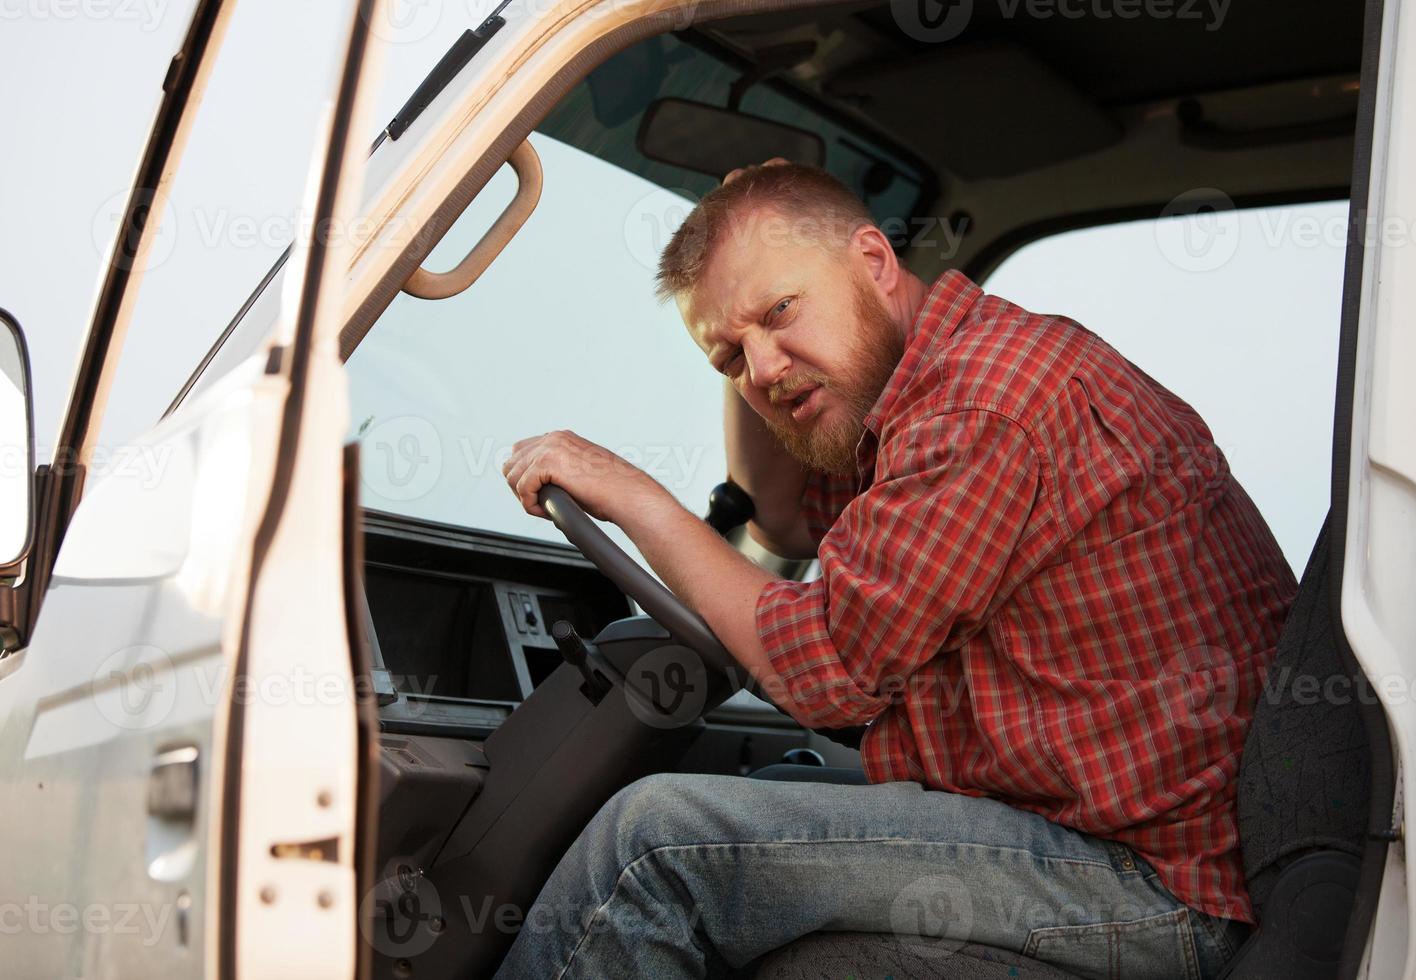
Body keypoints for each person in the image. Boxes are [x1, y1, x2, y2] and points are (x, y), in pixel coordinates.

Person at [494, 161, 1295, 979]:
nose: (764, 370)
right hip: (1077, 841)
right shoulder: (900, 402)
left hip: (1158, 888)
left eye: (781, 310)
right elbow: (775, 511)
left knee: (653, 843)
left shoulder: (983, 402)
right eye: (731, 359)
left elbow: (825, 668)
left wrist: (632, 496)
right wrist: (747, 319)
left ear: (874, 263)